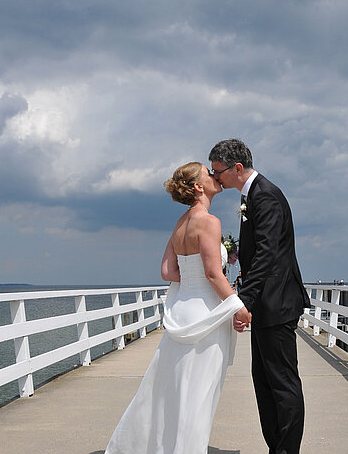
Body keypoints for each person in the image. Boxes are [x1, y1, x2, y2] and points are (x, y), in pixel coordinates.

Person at [104, 161, 250, 454]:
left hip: (182, 310)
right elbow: (212, 273)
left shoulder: (181, 223)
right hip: (206, 315)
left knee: (171, 390)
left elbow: (167, 272)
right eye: (208, 174)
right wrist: (238, 307)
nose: (215, 176)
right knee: (198, 395)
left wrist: (193, 277)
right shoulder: (209, 222)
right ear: (198, 186)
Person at [209, 139, 311, 454]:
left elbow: (267, 254)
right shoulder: (251, 195)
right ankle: (275, 447)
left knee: (281, 383)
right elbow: (258, 254)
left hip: (276, 303)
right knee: (264, 381)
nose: (216, 179)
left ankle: (286, 450)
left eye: (219, 172)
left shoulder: (264, 195)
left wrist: (243, 301)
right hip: (267, 302)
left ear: (237, 168)